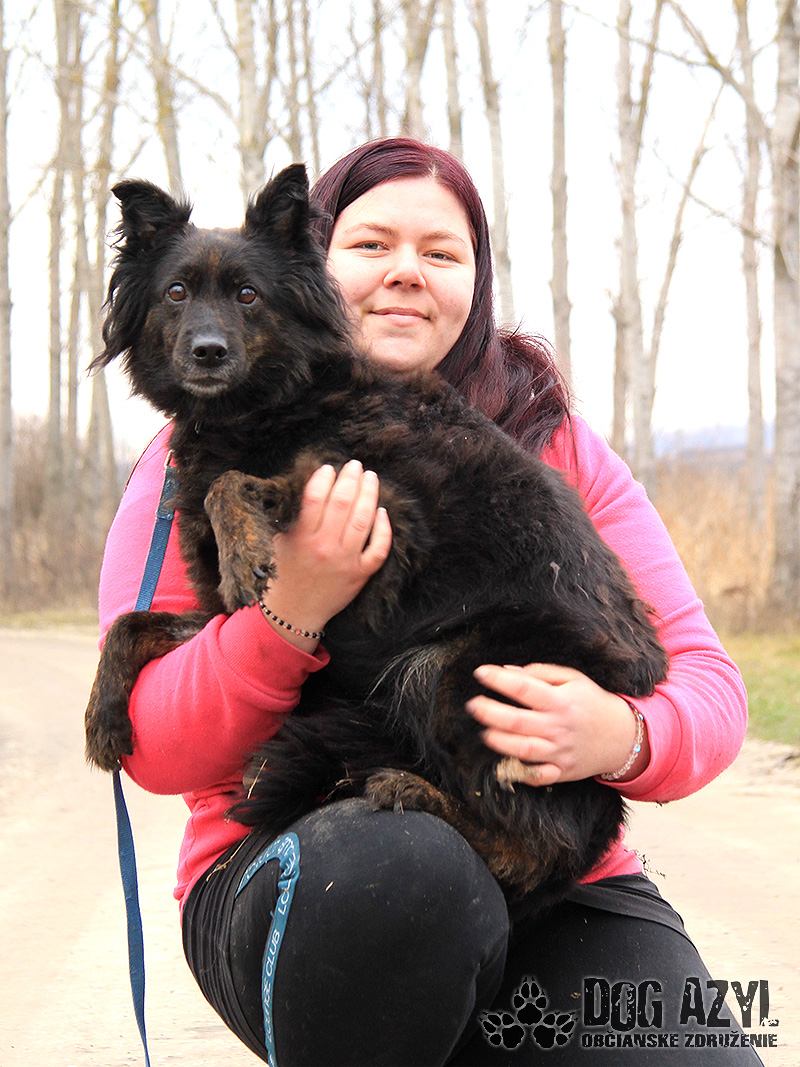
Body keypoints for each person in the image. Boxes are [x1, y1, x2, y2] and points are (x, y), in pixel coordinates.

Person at [98, 138, 762, 1066]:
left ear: (474, 283)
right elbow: (157, 750)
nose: (406, 272)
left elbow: (710, 686)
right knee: (411, 872)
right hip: (310, 860)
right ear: (317, 268)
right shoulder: (192, 464)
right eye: (372, 244)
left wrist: (621, 734)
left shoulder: (555, 441)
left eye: (442, 252)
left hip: (535, 847)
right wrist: (289, 614)